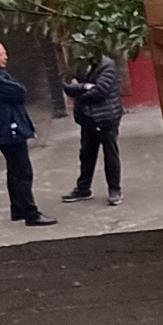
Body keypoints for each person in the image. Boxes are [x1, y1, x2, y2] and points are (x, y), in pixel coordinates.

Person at [0, 39, 49, 226]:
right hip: (8, 129)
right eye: (0, 54)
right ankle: (31, 213)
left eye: (4, 53)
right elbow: (20, 91)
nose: (5, 57)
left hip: (7, 127)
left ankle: (17, 209)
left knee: (14, 170)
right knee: (23, 171)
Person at [65, 44, 128, 205]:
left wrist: (79, 95)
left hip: (106, 117)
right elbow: (67, 86)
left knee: (110, 154)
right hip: (88, 118)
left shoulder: (107, 65)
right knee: (86, 153)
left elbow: (100, 91)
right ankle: (83, 189)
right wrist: (84, 87)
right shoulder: (79, 66)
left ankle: (115, 190)